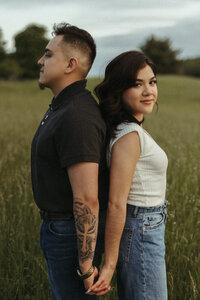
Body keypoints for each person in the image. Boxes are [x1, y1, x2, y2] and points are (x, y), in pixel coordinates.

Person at [31, 23, 109, 299]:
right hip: (57, 231)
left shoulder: (77, 115)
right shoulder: (62, 106)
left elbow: (87, 199)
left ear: (70, 64)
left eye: (48, 55)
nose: (40, 61)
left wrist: (86, 267)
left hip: (68, 236)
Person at [89, 51, 168, 299]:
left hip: (145, 227)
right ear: (119, 90)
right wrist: (109, 265)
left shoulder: (130, 129)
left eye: (151, 82)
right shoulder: (129, 135)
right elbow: (116, 202)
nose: (148, 91)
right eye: (137, 84)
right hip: (141, 229)